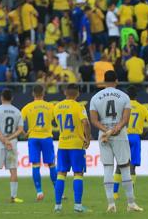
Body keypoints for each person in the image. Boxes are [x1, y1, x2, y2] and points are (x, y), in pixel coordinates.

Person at [89, 70, 143, 212]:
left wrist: (106, 130)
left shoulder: (95, 98)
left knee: (107, 168)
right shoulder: (124, 96)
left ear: (104, 80)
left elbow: (93, 120)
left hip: (104, 135)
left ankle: (111, 203)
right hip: (119, 134)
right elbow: (125, 119)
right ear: (117, 80)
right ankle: (131, 203)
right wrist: (116, 128)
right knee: (125, 167)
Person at [53, 84, 91, 213]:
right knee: (78, 174)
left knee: (61, 174)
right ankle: (78, 206)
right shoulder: (79, 106)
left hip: (62, 144)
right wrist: (88, 138)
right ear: (78, 94)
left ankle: (57, 206)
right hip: (76, 145)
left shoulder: (57, 107)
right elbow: (85, 122)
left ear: (65, 92)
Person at [113, 85, 148, 200]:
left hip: (123, 136)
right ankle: (130, 194)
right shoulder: (142, 108)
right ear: (136, 95)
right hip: (135, 138)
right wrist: (144, 135)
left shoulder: (122, 107)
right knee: (132, 167)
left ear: (126, 95)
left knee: (120, 165)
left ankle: (115, 193)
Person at [0, 88, 24, 204]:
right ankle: (13, 196)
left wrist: (3, 139)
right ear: (12, 98)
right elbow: (20, 130)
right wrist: (9, 139)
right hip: (12, 144)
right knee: (13, 170)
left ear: (1, 97)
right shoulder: (17, 111)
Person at [21, 85, 57, 201]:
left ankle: (39, 192)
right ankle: (58, 191)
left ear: (33, 94)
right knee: (51, 164)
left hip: (33, 138)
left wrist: (24, 133)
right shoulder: (50, 106)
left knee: (35, 165)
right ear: (43, 93)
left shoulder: (27, 107)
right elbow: (57, 120)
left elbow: (19, 123)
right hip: (46, 137)